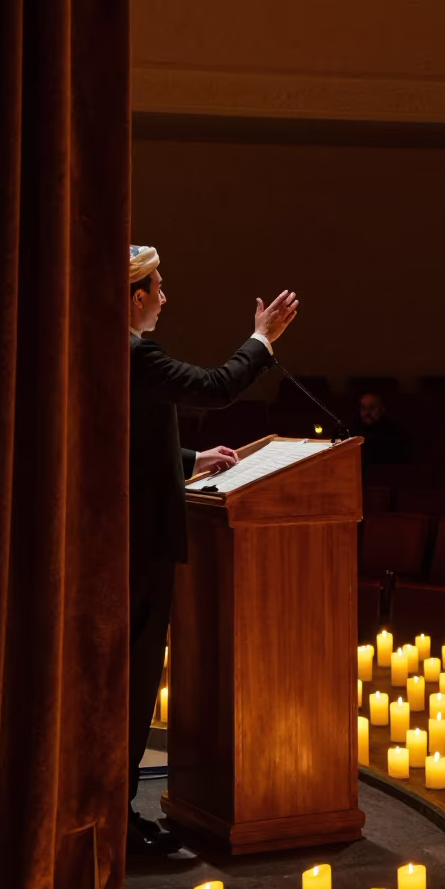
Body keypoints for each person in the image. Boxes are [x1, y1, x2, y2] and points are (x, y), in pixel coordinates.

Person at [127, 245, 297, 854]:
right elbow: (215, 387)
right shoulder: (135, 352)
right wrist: (260, 340)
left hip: (125, 540)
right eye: (158, 288)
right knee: (133, 682)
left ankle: (112, 808)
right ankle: (116, 820)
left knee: (131, 681)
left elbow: (128, 445)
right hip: (138, 544)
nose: (166, 298)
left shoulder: (101, 349)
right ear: (135, 298)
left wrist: (195, 461)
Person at [355, 391, 409, 467]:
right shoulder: (352, 429)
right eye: (363, 408)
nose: (367, 412)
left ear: (382, 409)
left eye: (372, 408)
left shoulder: (392, 431)